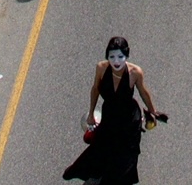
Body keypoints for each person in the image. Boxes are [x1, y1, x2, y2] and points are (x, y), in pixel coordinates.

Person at [63, 35, 160, 185]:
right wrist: (91, 113)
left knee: (126, 157)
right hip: (109, 117)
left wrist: (152, 112)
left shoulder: (135, 72)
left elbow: (143, 92)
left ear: (126, 56)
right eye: (112, 56)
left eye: (120, 56)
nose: (116, 61)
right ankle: (97, 174)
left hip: (129, 121)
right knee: (101, 149)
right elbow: (95, 89)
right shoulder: (101, 68)